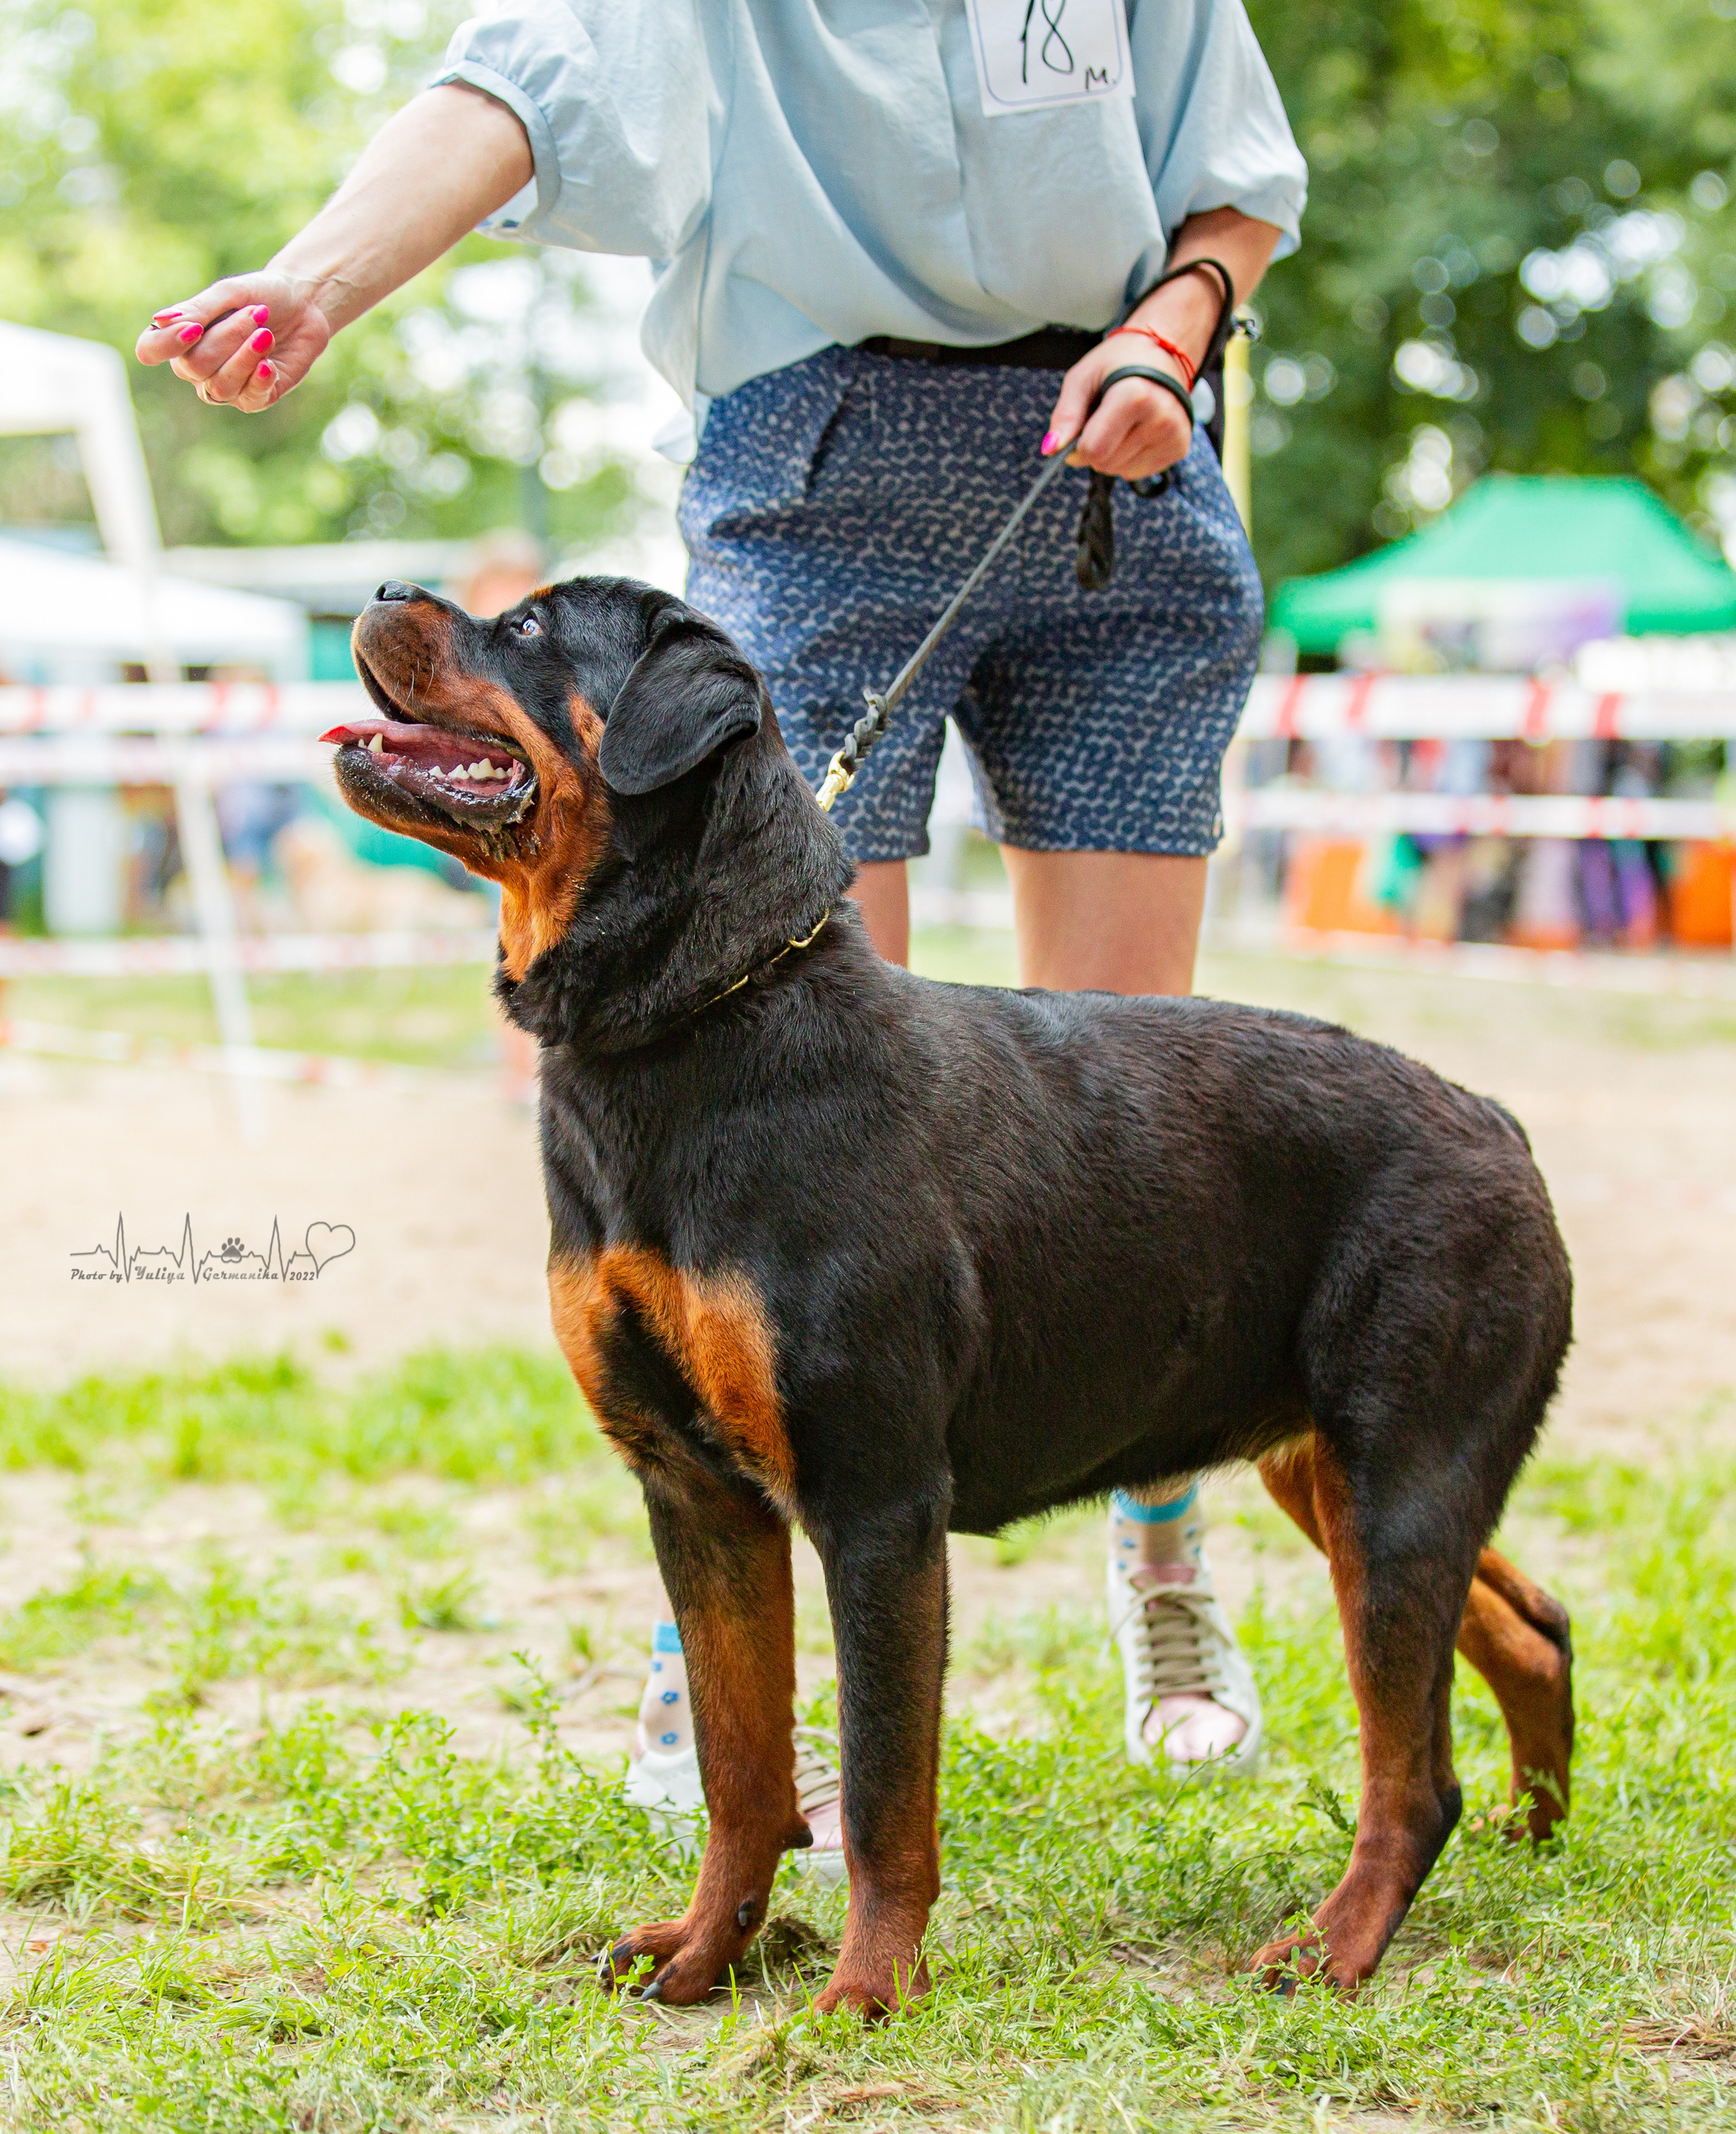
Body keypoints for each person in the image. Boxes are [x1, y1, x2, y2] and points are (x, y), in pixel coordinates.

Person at [139, 0, 1306, 1874]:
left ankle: (1162, 1554)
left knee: (1126, 1094)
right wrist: (311, 281)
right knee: (791, 1102)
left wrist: (1178, 331)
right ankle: (727, 1657)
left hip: (1120, 468)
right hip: (816, 462)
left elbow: (1231, 185)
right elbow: (523, 84)